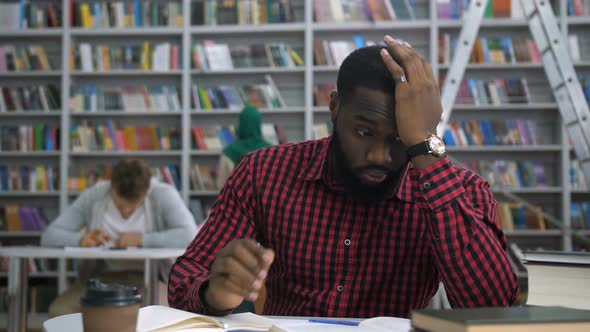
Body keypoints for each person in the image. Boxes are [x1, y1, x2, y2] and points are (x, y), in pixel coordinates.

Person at [168, 36, 518, 318]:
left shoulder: (461, 192)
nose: (379, 156)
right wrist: (215, 293)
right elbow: (184, 281)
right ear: (334, 107)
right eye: (364, 132)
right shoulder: (264, 173)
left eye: (400, 139)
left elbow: (494, 312)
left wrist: (426, 147)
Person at [42, 158, 198, 317]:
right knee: (60, 312)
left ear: (147, 190)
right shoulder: (95, 195)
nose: (126, 209)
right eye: (120, 202)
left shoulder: (163, 194)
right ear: (111, 186)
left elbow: (190, 235)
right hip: (100, 280)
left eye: (134, 202)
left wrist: (142, 239)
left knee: (160, 316)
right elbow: (49, 236)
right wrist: (80, 240)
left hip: (150, 280)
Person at [216, 104, 271, 189]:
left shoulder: (229, 152)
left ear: (241, 124)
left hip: (236, 200)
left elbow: (221, 186)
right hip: (265, 201)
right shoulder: (271, 150)